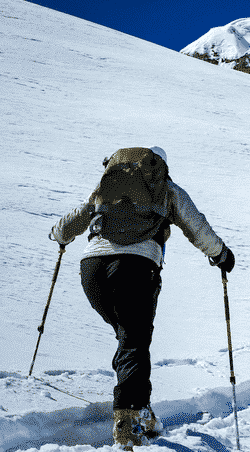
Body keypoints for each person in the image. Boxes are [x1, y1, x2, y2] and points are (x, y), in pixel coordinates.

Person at [48, 146, 235, 450]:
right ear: (160, 166)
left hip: (91, 269)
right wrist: (221, 255)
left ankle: (143, 410)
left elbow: (79, 215)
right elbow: (196, 225)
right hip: (135, 268)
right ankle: (127, 422)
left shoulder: (107, 185)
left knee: (130, 338)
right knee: (134, 341)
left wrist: (59, 234)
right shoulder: (167, 189)